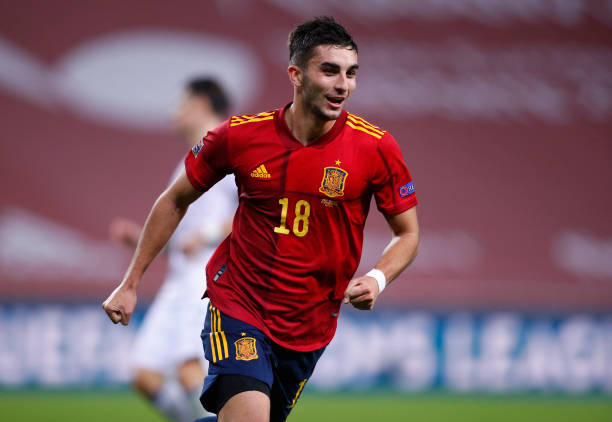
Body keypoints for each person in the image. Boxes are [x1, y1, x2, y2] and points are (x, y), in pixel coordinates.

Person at [103, 16, 419, 422]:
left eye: (351, 73)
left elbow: (407, 234)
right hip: (238, 304)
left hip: (309, 326)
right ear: (296, 74)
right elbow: (174, 199)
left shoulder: (376, 148)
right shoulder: (240, 136)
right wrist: (131, 283)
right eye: (329, 70)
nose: (343, 85)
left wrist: (377, 279)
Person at [108, 78, 237, 422]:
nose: (173, 114)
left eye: (180, 104)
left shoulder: (229, 149)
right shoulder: (190, 161)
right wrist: (140, 240)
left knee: (189, 368)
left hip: (209, 274)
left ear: (200, 104)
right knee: (144, 374)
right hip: (180, 278)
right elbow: (180, 238)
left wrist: (209, 234)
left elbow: (256, 211)